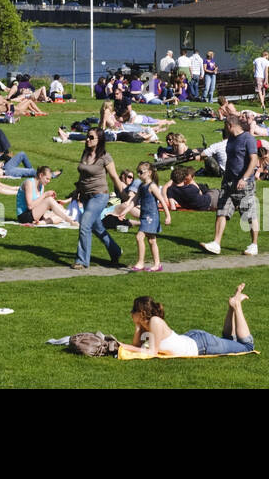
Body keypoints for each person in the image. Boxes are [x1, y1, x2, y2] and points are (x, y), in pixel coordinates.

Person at [127, 286, 255, 357]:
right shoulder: (146, 324)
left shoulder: (155, 321)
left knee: (247, 347)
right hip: (193, 339)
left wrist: (123, 345)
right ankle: (232, 306)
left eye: (133, 310)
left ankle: (237, 305)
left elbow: (152, 352)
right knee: (228, 339)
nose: (131, 313)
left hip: (202, 344)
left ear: (142, 313)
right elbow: (137, 346)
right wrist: (138, 327)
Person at [202, 115, 259, 256]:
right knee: (222, 211)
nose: (224, 129)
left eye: (224, 126)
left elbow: (254, 160)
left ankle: (254, 245)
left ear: (229, 125)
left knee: (249, 214)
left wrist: (244, 178)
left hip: (244, 183)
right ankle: (216, 243)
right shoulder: (231, 140)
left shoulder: (248, 139)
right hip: (228, 182)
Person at [71, 128, 126, 269]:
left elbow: (114, 176)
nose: (87, 139)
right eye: (87, 137)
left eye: (91, 137)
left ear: (99, 140)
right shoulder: (85, 153)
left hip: (99, 196)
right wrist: (77, 190)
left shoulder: (105, 157)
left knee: (84, 224)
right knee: (96, 227)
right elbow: (82, 174)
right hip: (85, 196)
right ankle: (115, 250)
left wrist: (123, 194)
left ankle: (82, 261)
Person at [127, 162, 170, 272]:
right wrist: (124, 211)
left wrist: (167, 216)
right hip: (144, 216)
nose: (139, 174)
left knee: (139, 237)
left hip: (151, 217)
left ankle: (141, 263)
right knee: (151, 240)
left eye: (141, 172)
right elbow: (134, 200)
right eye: (138, 172)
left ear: (149, 173)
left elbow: (162, 201)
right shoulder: (142, 186)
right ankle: (157, 265)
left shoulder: (152, 186)